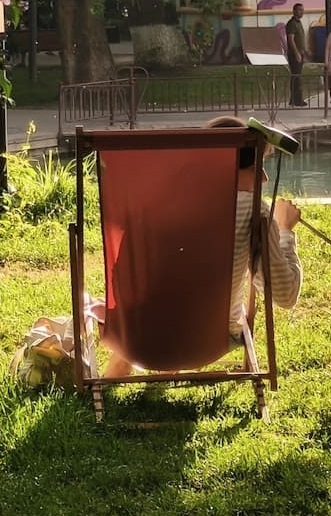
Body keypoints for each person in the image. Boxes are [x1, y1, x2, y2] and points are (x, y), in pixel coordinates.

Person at [102, 116, 304, 376]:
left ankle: (120, 372)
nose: (264, 178)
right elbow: (285, 295)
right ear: (231, 166)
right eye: (257, 165)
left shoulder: (152, 206)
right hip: (208, 343)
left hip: (137, 337)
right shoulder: (254, 211)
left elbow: (122, 278)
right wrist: (285, 231)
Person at [285, 3, 308, 106]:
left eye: (303, 10)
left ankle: (295, 99)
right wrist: (296, 53)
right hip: (295, 54)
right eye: (299, 10)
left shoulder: (299, 23)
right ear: (294, 11)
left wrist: (305, 51)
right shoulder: (292, 23)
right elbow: (291, 39)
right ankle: (297, 100)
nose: (302, 12)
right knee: (296, 76)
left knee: (298, 76)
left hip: (301, 53)